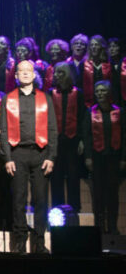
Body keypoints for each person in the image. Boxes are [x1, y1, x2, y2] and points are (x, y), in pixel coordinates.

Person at [0, 60, 57, 254]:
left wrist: (51, 156)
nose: (24, 73)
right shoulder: (8, 99)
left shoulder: (45, 98)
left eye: (28, 71)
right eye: (20, 71)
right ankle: (20, 241)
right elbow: (4, 131)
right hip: (17, 154)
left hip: (41, 154)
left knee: (40, 200)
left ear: (34, 75)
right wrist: (7, 158)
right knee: (18, 200)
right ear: (15, 76)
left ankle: (39, 242)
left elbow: (52, 129)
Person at [82, 81, 124, 235]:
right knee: (98, 194)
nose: (99, 94)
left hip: (113, 157)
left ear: (109, 92)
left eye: (102, 91)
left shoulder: (119, 112)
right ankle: (99, 227)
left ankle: (112, 226)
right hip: (96, 158)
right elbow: (86, 136)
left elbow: (124, 136)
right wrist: (88, 157)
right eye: (97, 91)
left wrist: (123, 159)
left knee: (112, 194)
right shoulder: (90, 112)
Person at [50, 63, 84, 212]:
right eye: (56, 73)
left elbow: (82, 117)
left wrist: (82, 139)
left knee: (73, 175)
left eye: (60, 73)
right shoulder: (51, 93)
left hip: (73, 140)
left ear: (68, 75)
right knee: (56, 175)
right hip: (55, 140)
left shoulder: (78, 94)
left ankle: (74, 209)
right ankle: (57, 208)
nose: (56, 75)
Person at [81, 36, 112, 107]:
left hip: (106, 102)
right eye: (92, 45)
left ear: (102, 47)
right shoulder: (84, 65)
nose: (93, 47)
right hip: (88, 103)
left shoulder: (109, 64)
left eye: (96, 44)